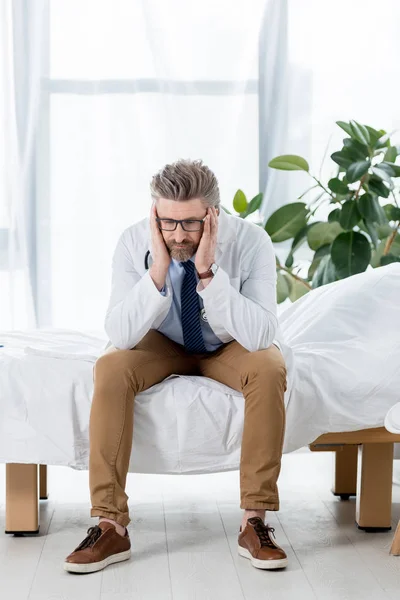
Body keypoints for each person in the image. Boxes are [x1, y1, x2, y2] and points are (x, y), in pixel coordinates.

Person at [64, 158, 288, 573]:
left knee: (270, 367)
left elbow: (260, 335)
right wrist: (158, 270)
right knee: (111, 367)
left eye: (190, 223)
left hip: (227, 342)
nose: (178, 234)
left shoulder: (251, 241)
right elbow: (121, 332)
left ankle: (254, 520)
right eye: (168, 222)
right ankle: (110, 524)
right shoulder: (134, 242)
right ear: (155, 214)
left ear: (214, 215)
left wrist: (206, 272)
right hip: (162, 341)